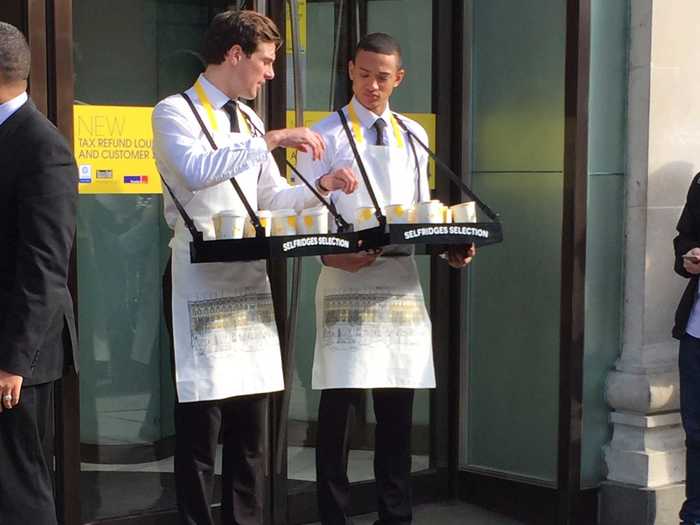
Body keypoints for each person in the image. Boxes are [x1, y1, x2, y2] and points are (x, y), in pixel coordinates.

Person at [152, 10, 357, 525]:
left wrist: (319, 188)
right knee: (202, 422)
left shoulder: (248, 119)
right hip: (197, 276)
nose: (269, 74)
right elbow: (198, 172)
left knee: (250, 426)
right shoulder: (173, 111)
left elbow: (270, 198)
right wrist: (270, 141)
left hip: (248, 279)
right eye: (265, 62)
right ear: (235, 55)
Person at [296, 32, 475, 525]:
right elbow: (301, 212)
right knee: (340, 411)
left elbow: (420, 210)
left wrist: (450, 248)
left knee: (396, 408)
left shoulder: (414, 135)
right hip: (345, 280)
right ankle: (332, 514)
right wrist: (330, 258)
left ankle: (396, 516)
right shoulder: (324, 135)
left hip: (398, 282)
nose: (373, 86)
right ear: (350, 71)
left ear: (399, 79)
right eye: (365, 74)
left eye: (383, 77)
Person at [0, 22, 79, 525]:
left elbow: (45, 264)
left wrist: (13, 363)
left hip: (17, 355)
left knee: (18, 486)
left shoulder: (41, 146)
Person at [673, 173, 700, 525]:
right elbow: (685, 238)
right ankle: (694, 515)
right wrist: (688, 257)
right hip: (696, 334)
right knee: (695, 433)